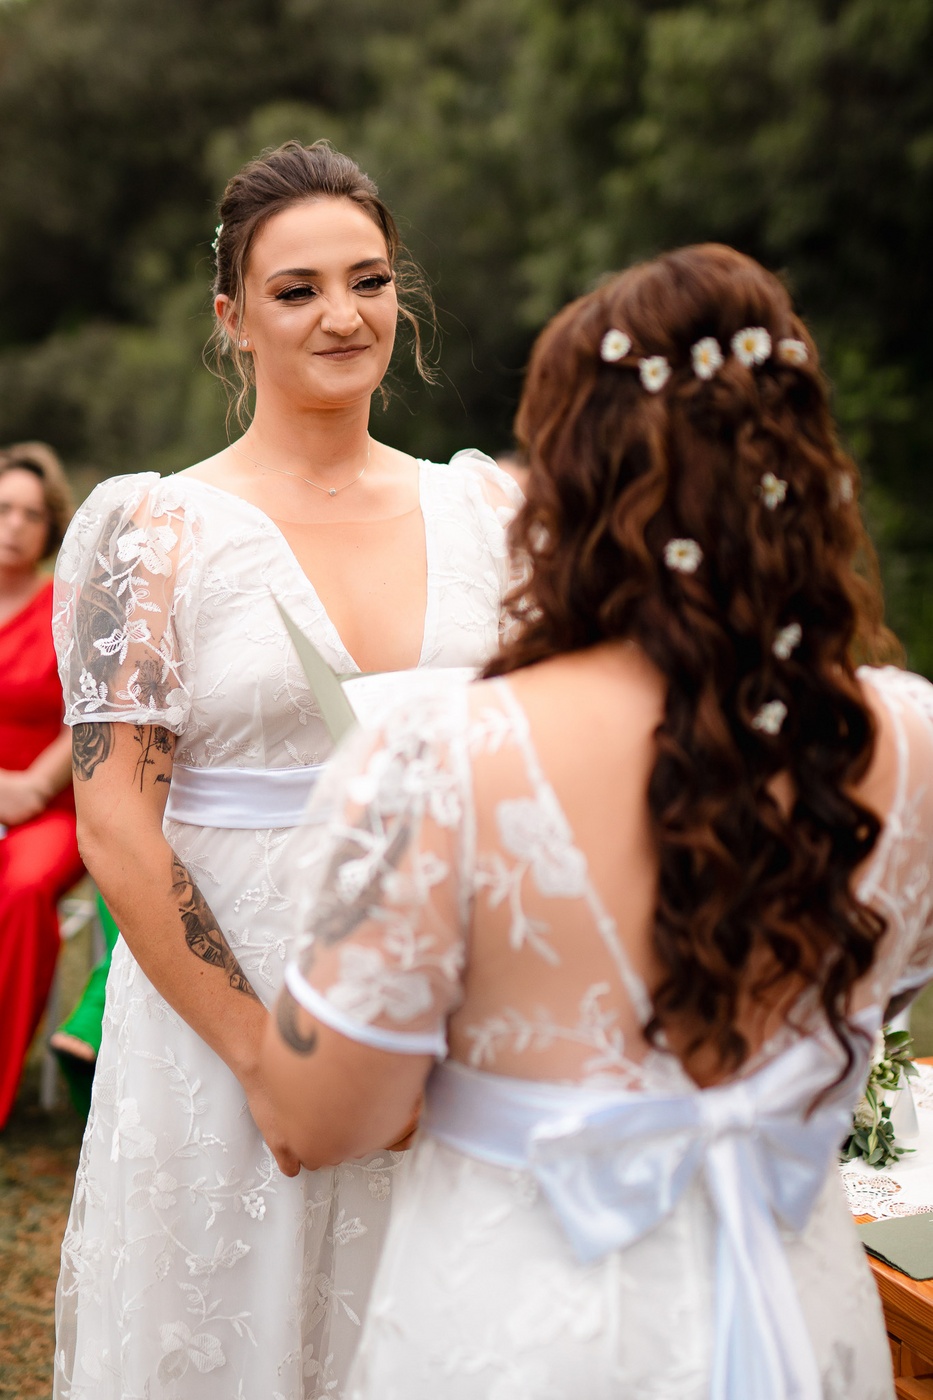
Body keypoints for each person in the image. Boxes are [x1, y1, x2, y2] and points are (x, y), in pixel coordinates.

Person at [262, 243, 933, 1399]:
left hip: (523, 1334)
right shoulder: (912, 739)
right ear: (799, 466)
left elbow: (317, 1119)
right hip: (802, 1318)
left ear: (569, 483)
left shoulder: (443, 754)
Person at [51, 139, 521, 1399]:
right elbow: (116, 828)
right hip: (224, 1028)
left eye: (368, 280)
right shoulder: (153, 533)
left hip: (444, 1022)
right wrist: (268, 1060)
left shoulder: (489, 514)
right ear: (233, 317)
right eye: (297, 289)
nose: (342, 315)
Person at [0, 443, 83, 1130]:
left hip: (49, 805)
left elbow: (90, 716)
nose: (15, 526)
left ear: (50, 527)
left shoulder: (69, 608)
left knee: (24, 889)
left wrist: (31, 785)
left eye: (32, 514)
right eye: (4, 508)